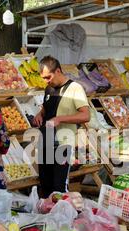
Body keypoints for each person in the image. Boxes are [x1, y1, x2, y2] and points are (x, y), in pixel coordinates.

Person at [33, 56, 90, 198]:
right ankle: (47, 217)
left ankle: (63, 217)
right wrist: (40, 114)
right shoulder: (49, 89)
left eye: (48, 77)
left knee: (59, 188)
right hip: (46, 142)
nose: (46, 81)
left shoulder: (75, 88)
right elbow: (47, 109)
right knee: (45, 186)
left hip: (63, 144)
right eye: (43, 78)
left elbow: (85, 116)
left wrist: (60, 119)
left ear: (58, 71)